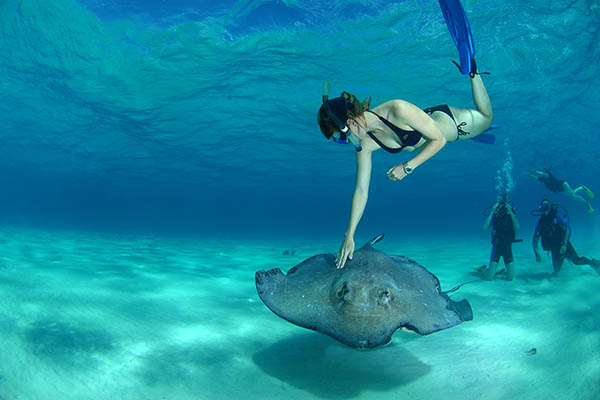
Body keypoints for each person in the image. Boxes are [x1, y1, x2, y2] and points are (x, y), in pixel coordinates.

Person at [317, 65, 493, 268]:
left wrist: (407, 167)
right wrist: (350, 234)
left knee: (487, 118)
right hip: (422, 129)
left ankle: (473, 72)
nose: (346, 143)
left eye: (341, 139)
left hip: (452, 124)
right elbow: (361, 189)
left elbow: (439, 139)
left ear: (349, 123)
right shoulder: (364, 143)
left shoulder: (397, 109)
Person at [532, 199, 600, 276]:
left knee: (576, 261)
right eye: (543, 206)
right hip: (554, 248)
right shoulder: (541, 222)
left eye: (546, 206)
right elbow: (535, 239)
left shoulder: (557, 216)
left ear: (549, 207)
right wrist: (536, 253)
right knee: (556, 271)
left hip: (563, 243)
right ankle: (563, 260)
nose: (545, 208)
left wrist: (564, 244)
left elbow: (567, 229)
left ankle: (593, 262)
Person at [478, 195, 519, 280]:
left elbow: (517, 227)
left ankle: (497, 271)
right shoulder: (496, 215)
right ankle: (483, 269)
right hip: (497, 245)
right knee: (489, 278)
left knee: (510, 278)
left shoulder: (510, 215)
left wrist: (511, 212)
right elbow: (485, 227)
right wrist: (493, 211)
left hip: (507, 246)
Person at [529, 168, 595, 213]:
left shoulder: (548, 175)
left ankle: (586, 202)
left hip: (562, 185)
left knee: (573, 195)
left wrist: (535, 171)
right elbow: (536, 178)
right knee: (573, 195)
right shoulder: (543, 180)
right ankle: (581, 188)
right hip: (560, 190)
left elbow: (542, 174)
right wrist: (528, 175)